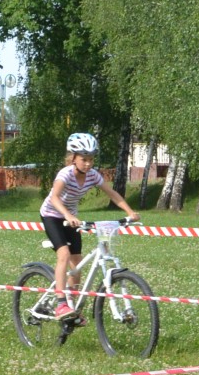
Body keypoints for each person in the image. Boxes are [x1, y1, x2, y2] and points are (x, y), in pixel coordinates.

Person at [37, 131, 138, 318]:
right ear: (73, 158)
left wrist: (130, 212)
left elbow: (112, 194)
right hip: (52, 215)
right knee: (64, 254)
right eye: (84, 159)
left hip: (71, 218)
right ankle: (61, 304)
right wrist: (68, 215)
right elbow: (54, 198)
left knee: (77, 262)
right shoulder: (65, 174)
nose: (88, 163)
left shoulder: (92, 175)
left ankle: (71, 307)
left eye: (91, 159)